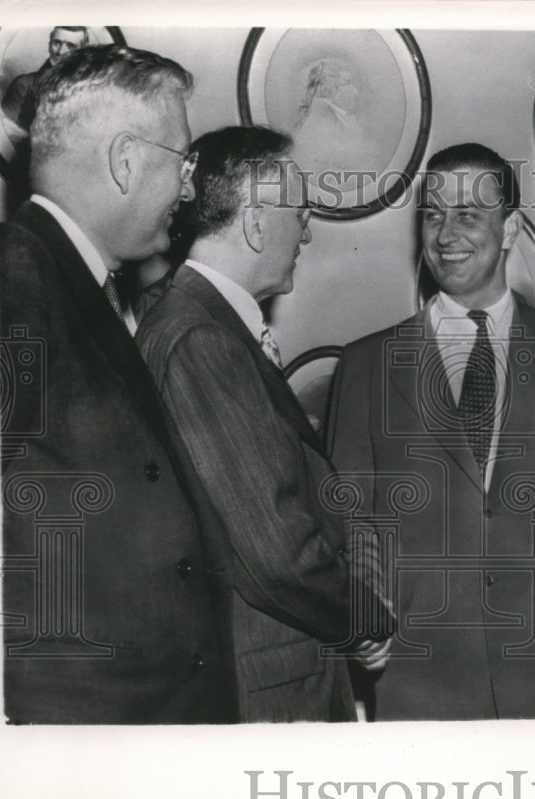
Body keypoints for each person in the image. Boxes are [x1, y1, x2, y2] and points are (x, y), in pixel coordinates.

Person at [328, 142, 535, 720]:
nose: (446, 234)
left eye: (468, 215)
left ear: (510, 228)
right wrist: (363, 614)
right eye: (433, 215)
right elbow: (347, 519)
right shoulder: (367, 364)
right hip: (418, 674)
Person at [0, 45, 238, 723]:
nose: (189, 190)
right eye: (183, 163)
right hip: (80, 732)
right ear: (126, 160)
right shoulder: (13, 273)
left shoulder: (69, 278)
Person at [136, 126, 393, 722]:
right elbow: (275, 543)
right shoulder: (203, 339)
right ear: (255, 223)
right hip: (270, 688)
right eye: (300, 212)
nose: (306, 230)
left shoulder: (191, 321)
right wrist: (363, 622)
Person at [1, 26, 89, 135]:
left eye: (70, 46)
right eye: (57, 43)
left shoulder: (91, 89)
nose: (61, 52)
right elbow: (4, 136)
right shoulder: (23, 85)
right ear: (49, 45)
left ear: (83, 51)